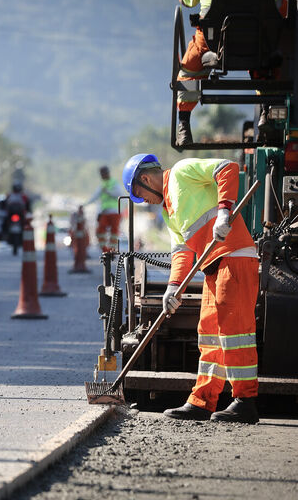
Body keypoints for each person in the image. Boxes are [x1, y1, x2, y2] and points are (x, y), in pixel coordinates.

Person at [122, 153, 259, 424]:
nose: (144, 202)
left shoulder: (184, 171)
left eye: (140, 195)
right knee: (208, 332)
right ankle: (202, 401)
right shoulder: (169, 211)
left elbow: (227, 168)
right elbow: (182, 252)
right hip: (213, 267)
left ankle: (246, 401)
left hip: (234, 256)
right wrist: (173, 288)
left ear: (146, 179)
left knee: (235, 331)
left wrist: (224, 212)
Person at [175, 0, 224, 146]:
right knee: (264, 67)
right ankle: (266, 113)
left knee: (188, 71)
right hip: (248, 44)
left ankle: (184, 126)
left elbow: (186, 0)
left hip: (209, 43)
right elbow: (279, 2)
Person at [83, 166, 121, 253]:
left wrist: (108, 191)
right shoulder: (102, 185)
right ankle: (104, 250)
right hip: (104, 212)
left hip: (114, 211)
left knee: (114, 232)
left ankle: (112, 249)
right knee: (100, 231)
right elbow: (95, 196)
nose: (102, 176)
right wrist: (85, 204)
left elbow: (118, 193)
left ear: (107, 173)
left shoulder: (114, 183)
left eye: (103, 173)